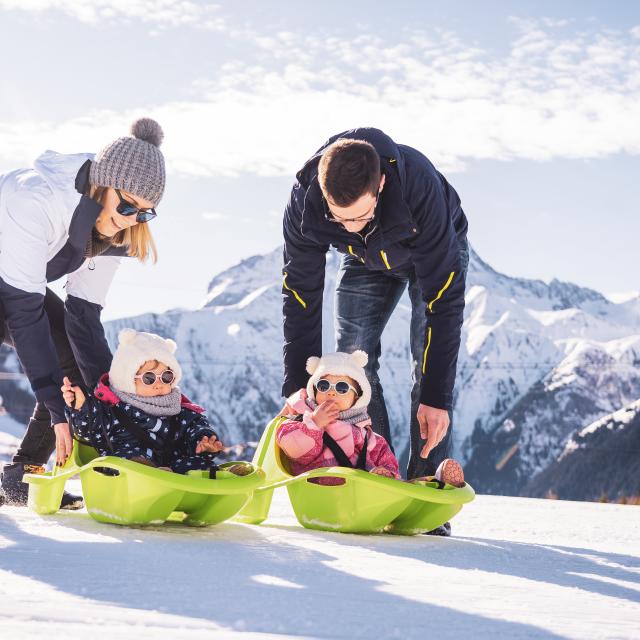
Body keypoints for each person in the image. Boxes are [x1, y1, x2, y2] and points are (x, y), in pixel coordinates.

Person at [0, 118, 166, 507]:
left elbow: (84, 318)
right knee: (53, 375)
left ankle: (21, 478)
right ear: (103, 185)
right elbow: (24, 313)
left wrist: (111, 397)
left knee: (75, 366)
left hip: (15, 286)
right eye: (127, 205)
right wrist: (57, 411)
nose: (131, 219)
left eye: (145, 213)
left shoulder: (115, 228)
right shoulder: (36, 200)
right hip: (12, 286)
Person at [63, 329, 249, 475]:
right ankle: (153, 475)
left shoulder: (180, 411)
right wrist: (81, 407)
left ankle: (220, 476)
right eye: (149, 378)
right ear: (127, 379)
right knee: (126, 463)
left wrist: (203, 441)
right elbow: (90, 430)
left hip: (172, 470)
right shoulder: (113, 410)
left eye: (167, 376)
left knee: (197, 464)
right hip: (128, 471)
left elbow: (194, 427)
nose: (159, 383)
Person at [277, 351, 465, 489]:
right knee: (382, 486)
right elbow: (294, 449)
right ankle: (415, 491)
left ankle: (438, 484)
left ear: (357, 397)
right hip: (320, 491)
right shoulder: (301, 419)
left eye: (342, 388)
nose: (331, 391)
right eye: (323, 385)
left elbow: (387, 460)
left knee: (400, 485)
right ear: (314, 389)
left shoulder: (367, 436)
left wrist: (387, 473)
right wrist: (314, 424)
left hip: (361, 494)